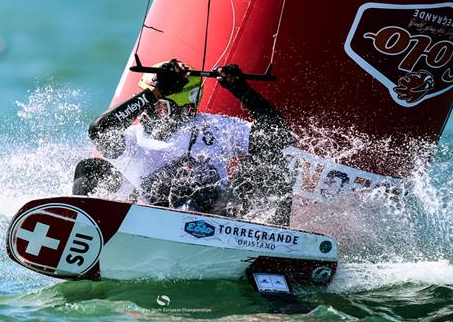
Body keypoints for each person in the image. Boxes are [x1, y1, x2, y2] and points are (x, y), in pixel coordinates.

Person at [73, 59, 296, 224]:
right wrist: (153, 93)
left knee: (271, 162)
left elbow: (280, 135)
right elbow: (99, 130)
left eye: (160, 105)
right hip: (150, 216)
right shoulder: (131, 138)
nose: (148, 113)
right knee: (89, 168)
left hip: (216, 217)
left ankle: (275, 247)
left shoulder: (217, 127)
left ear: (187, 106)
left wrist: (241, 89)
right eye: (147, 102)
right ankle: (82, 228)